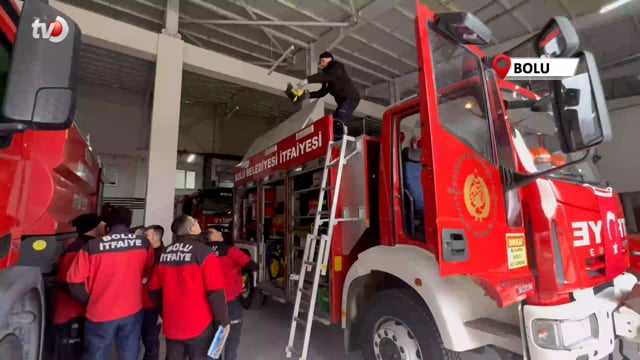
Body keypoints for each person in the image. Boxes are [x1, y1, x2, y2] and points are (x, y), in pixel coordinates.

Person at [66, 206, 154, 360]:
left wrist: (92, 300)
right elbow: (150, 272)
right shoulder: (144, 244)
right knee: (129, 352)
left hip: (100, 312)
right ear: (129, 222)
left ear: (107, 224)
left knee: (97, 354)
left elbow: (74, 282)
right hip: (132, 309)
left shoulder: (91, 246)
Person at [148, 215, 230, 360]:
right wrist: (223, 321)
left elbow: (153, 288)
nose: (198, 222)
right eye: (195, 221)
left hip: (172, 325)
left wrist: (164, 312)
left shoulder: (164, 254)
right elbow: (215, 292)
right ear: (192, 229)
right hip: (199, 325)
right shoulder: (204, 253)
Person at [52, 213, 106, 360]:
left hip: (79, 313)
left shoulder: (84, 246)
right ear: (94, 228)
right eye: (102, 224)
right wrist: (93, 302)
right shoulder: (78, 250)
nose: (105, 227)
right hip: (71, 315)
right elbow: (69, 283)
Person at [206, 226, 258, 360]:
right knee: (232, 341)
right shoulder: (230, 250)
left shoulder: (202, 251)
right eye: (217, 232)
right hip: (230, 302)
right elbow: (252, 266)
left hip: (209, 302)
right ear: (211, 237)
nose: (221, 233)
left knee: (214, 339)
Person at [297, 51, 360, 141]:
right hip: (342, 102)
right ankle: (335, 140)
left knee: (340, 116)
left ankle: (343, 130)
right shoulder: (327, 77)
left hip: (351, 97)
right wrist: (308, 95)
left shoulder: (336, 67)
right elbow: (322, 92)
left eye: (323, 61)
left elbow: (327, 76)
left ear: (329, 59)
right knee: (332, 122)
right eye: (320, 62)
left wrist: (307, 80)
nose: (321, 64)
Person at [140, 225, 165, 360]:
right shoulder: (143, 252)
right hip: (138, 305)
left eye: (146, 236)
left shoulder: (164, 256)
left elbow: (165, 287)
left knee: (151, 344)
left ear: (156, 237)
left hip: (152, 308)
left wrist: (162, 312)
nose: (143, 238)